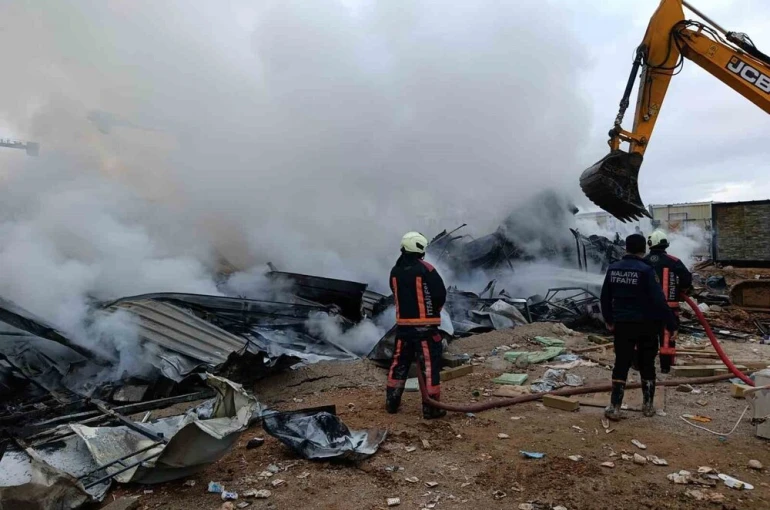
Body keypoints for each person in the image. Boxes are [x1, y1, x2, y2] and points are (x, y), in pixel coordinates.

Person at [600, 233, 677, 420]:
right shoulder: (646, 270)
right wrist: (671, 323)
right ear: (643, 249)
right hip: (647, 325)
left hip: (623, 325)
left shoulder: (613, 268)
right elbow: (659, 301)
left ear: (626, 248)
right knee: (647, 364)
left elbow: (604, 297)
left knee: (621, 363)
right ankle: (648, 406)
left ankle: (615, 407)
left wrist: (610, 320)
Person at [386, 231, 447, 419]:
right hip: (425, 330)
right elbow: (440, 295)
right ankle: (432, 407)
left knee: (398, 364)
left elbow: (393, 292)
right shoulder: (426, 269)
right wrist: (432, 313)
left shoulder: (395, 272)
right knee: (429, 367)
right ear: (420, 249)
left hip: (403, 328)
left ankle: (392, 403)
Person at [644, 229, 693, 373]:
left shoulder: (644, 261)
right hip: (669, 308)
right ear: (665, 245)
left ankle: (642, 363)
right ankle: (665, 367)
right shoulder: (674, 261)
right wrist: (681, 290)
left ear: (650, 244)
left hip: (647, 307)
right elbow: (686, 279)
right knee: (667, 337)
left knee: (645, 335)